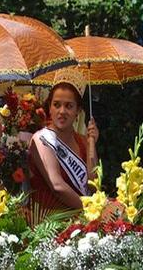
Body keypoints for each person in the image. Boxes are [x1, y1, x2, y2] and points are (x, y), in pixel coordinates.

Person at [28, 68, 99, 210]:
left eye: (69, 106)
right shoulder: (41, 140)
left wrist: (91, 143)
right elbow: (57, 186)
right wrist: (91, 211)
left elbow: (94, 185)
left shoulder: (83, 141)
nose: (62, 111)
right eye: (56, 105)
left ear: (78, 111)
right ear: (49, 108)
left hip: (81, 221)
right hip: (49, 225)